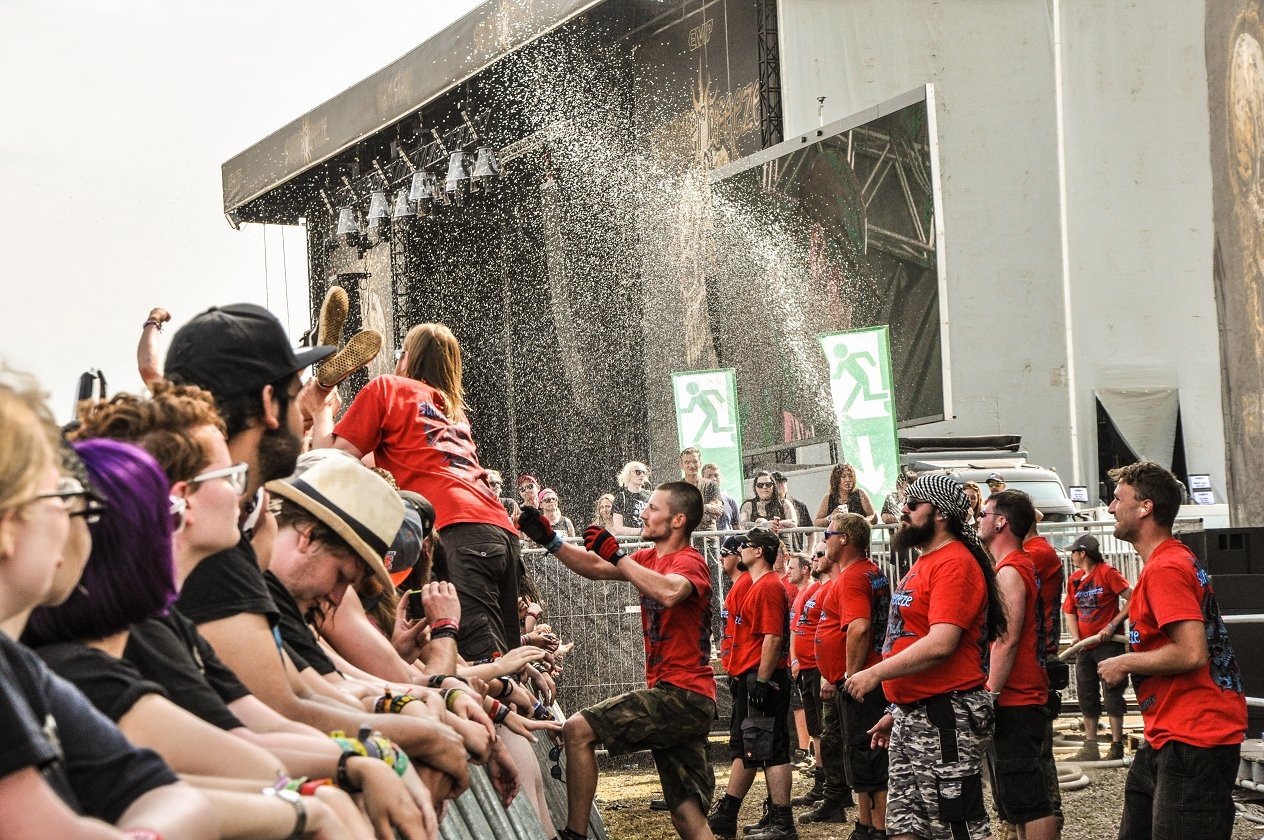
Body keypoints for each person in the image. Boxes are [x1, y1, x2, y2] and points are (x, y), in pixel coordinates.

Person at [23, 438, 384, 840]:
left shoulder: (40, 666)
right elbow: (258, 742)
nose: (242, 494)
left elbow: (151, 785)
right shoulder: (73, 664)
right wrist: (327, 787)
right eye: (230, 477)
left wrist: (328, 783)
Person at [0, 364, 217, 839]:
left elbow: (157, 788)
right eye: (59, 493)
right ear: (7, 526)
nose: (76, 519)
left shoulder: (18, 666)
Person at [312, 322, 521, 663]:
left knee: (474, 653)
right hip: (499, 531)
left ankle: (493, 711)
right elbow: (374, 459)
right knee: (507, 656)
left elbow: (331, 461)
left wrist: (319, 408)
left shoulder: (387, 388)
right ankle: (521, 711)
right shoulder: (452, 411)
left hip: (455, 529)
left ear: (406, 358)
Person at [518, 483, 717, 840]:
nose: (642, 513)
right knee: (687, 816)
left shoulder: (691, 561)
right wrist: (551, 540)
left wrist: (618, 556)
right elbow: (595, 566)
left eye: (653, 508)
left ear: (678, 520)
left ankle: (575, 836)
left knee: (577, 729)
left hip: (684, 697)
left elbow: (669, 592)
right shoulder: (649, 558)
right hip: (682, 698)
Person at [843, 473, 1005, 840]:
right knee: (904, 826)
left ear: (941, 514)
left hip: (945, 716)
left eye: (914, 505)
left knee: (956, 827)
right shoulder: (925, 561)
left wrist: (875, 674)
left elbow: (941, 642)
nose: (903, 510)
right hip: (916, 716)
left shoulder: (954, 563)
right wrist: (899, 710)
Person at [1097, 461, 1246, 839]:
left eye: (1118, 499)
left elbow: (1191, 653)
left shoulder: (1167, 567)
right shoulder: (1164, 562)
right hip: (1169, 735)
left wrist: (1124, 662)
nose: (1111, 508)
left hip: (1195, 738)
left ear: (1145, 507)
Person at [976, 490, 1056, 840]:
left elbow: (1006, 639)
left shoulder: (1011, 570)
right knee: (1018, 800)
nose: (978, 518)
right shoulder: (1015, 565)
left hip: (1017, 698)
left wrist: (989, 694)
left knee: (1029, 801)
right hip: (1021, 695)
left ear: (1001, 521)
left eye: (983, 513)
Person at [708, 527, 795, 840]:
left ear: (760, 552)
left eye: (746, 545)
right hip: (753, 673)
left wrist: (761, 679)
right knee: (755, 745)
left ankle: (783, 823)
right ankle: (736, 813)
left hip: (763, 675)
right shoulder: (758, 583)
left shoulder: (769, 585)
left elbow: (773, 636)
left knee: (771, 748)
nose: (740, 548)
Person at [816, 512, 888, 838]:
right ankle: (866, 824)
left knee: (867, 753)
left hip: (864, 683)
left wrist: (850, 676)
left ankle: (875, 828)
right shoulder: (869, 571)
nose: (824, 538)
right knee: (862, 753)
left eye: (828, 533)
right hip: (868, 678)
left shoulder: (853, 576)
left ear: (844, 538)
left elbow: (859, 627)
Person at [1061, 534, 1131, 762]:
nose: (1071, 555)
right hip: (1085, 646)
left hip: (1109, 644)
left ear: (1083, 553)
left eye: (1074, 551)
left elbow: (1132, 598)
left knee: (1112, 692)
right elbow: (1069, 609)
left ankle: (1116, 745)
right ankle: (1090, 745)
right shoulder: (1075, 579)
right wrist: (1075, 636)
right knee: (1086, 694)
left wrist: (1113, 624)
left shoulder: (1107, 573)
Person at [680, 447, 724, 531]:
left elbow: (717, 511)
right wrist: (707, 507)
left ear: (700, 463)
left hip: (709, 538)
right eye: (687, 462)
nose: (691, 466)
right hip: (686, 537)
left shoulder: (711, 485)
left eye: (695, 462)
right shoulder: (676, 488)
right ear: (681, 465)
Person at [612, 461, 652, 535]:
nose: (642, 475)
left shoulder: (650, 495)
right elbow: (618, 528)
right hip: (630, 543)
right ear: (628, 474)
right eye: (638, 472)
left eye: (644, 472)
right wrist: (641, 531)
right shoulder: (621, 497)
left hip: (648, 542)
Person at [703, 463, 740, 532]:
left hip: (727, 542)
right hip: (707, 541)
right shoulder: (698, 501)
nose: (713, 479)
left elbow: (737, 528)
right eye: (709, 476)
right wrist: (707, 507)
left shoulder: (731, 501)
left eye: (716, 475)